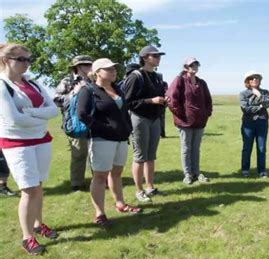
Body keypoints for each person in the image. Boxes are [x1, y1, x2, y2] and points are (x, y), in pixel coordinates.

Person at [0, 43, 59, 255]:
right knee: (28, 189)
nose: (26, 64)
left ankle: (38, 224)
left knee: (38, 186)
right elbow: (14, 119)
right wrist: (38, 116)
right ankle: (27, 237)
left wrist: (32, 114)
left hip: (41, 139)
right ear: (6, 60)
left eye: (28, 59)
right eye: (21, 59)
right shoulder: (2, 85)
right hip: (17, 143)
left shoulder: (33, 83)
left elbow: (53, 110)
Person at [77, 58, 141, 228]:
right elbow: (82, 114)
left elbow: (123, 111)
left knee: (117, 173)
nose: (113, 71)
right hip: (101, 139)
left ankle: (120, 203)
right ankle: (99, 213)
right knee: (99, 177)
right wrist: (103, 128)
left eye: (114, 68)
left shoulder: (117, 88)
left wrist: (127, 127)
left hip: (120, 138)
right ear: (97, 72)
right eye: (108, 69)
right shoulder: (88, 90)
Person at [124, 45, 169, 202]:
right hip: (139, 118)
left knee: (151, 156)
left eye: (159, 55)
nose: (158, 58)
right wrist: (152, 100)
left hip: (154, 119)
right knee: (140, 157)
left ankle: (150, 187)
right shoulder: (135, 76)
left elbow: (159, 97)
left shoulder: (157, 77)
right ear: (144, 58)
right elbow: (127, 102)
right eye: (155, 56)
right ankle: (139, 190)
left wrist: (164, 101)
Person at [167, 57, 213, 185]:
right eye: (191, 65)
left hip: (199, 121)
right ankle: (187, 174)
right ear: (186, 67)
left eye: (196, 64)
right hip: (184, 122)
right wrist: (182, 115)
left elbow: (208, 100)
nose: (194, 67)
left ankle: (196, 173)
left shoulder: (202, 83)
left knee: (196, 148)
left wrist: (206, 113)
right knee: (186, 148)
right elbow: (171, 99)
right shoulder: (179, 80)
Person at [54, 55, 93, 192]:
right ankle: (77, 184)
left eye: (90, 64)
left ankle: (99, 180)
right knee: (79, 154)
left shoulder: (93, 80)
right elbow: (56, 99)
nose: (90, 67)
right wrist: (73, 95)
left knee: (95, 153)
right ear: (78, 67)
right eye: (87, 64)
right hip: (76, 124)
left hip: (94, 122)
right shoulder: (67, 81)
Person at [239, 71, 269, 178]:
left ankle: (262, 171)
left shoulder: (265, 92)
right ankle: (245, 170)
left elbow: (268, 104)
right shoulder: (243, 94)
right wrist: (260, 107)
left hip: (262, 122)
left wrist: (259, 95)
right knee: (247, 147)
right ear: (247, 81)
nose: (254, 80)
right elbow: (245, 108)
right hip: (248, 123)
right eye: (252, 78)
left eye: (256, 78)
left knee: (262, 147)